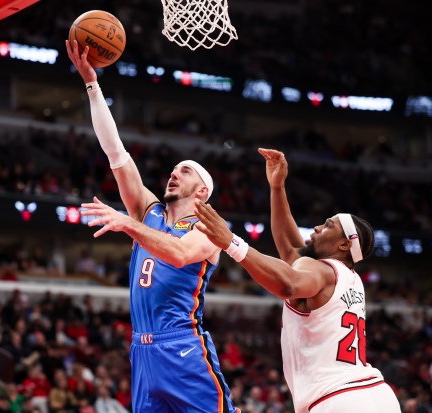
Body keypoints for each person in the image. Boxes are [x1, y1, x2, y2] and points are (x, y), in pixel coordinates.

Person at [66, 40, 239, 413]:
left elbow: (178, 255)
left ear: (203, 190)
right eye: (175, 169)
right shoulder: (151, 212)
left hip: (182, 346)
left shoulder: (210, 227)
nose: (175, 173)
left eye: (186, 171)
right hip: (141, 352)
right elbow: (115, 151)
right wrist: (92, 85)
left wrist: (128, 224)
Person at [193, 148, 402, 413]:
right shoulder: (350, 278)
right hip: (375, 394)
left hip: (338, 398)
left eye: (327, 225)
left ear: (342, 244)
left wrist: (231, 243)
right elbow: (292, 252)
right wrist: (277, 188)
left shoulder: (323, 272)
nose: (316, 228)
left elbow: (288, 283)